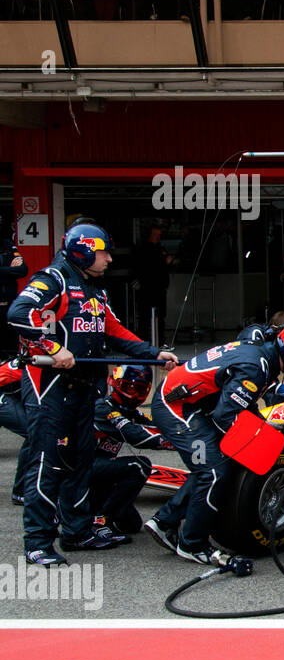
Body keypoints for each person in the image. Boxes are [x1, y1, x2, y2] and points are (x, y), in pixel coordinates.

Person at [7, 224, 178, 567]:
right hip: (50, 388)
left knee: (79, 462)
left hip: (85, 388)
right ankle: (38, 541)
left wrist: (152, 353)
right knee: (47, 463)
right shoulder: (52, 279)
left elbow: (112, 329)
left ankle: (78, 531)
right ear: (83, 250)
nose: (110, 259)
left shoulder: (94, 289)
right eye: (104, 253)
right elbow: (17, 313)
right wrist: (53, 347)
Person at [146, 325, 284, 564]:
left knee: (215, 461)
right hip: (176, 407)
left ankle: (164, 521)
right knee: (213, 471)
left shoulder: (261, 355)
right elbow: (225, 416)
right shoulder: (256, 366)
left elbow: (241, 406)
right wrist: (260, 439)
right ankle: (192, 544)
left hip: (195, 404)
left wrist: (263, 429)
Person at [91, 364, 171, 538]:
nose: (133, 394)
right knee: (138, 466)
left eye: (140, 389)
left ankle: (97, 511)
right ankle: (99, 521)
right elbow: (134, 435)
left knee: (131, 525)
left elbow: (157, 427)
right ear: (115, 383)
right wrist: (167, 442)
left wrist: (186, 434)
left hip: (100, 474)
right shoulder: (103, 408)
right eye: (129, 387)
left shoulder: (131, 413)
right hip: (80, 471)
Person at [132, 224, 174, 340]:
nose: (158, 237)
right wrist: (164, 261)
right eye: (155, 234)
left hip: (160, 287)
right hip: (147, 287)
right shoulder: (143, 249)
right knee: (145, 316)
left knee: (160, 316)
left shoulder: (161, 248)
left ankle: (160, 340)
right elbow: (147, 266)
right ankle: (143, 340)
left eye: (159, 235)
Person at [0, 357, 30, 505]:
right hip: (3, 395)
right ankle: (21, 491)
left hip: (9, 393)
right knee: (33, 434)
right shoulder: (41, 357)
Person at [0, 231, 27, 358]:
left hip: (9, 306)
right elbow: (15, 272)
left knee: (12, 350)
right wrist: (10, 271)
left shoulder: (7, 244)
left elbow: (22, 270)